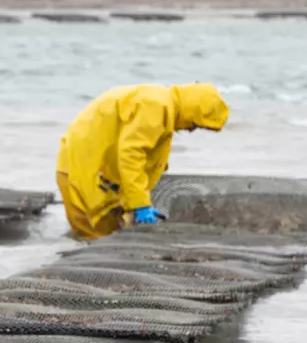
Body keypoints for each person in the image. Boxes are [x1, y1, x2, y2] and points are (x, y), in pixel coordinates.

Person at [56, 83, 229, 239]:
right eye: (195, 124)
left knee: (107, 234)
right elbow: (131, 154)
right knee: (95, 237)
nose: (191, 130)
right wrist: (140, 204)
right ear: (192, 109)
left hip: (93, 170)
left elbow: (141, 157)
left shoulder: (162, 107)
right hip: (82, 170)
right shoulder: (156, 106)